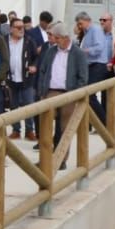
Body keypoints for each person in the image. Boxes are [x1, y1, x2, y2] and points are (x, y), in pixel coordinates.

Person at [37, 23, 88, 162]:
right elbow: (43, 71)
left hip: (69, 94)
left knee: (66, 128)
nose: (53, 40)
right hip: (51, 92)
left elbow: (83, 77)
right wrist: (42, 92)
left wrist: (76, 95)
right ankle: (45, 158)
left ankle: (61, 159)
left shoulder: (78, 53)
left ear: (64, 38)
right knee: (45, 126)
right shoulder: (51, 51)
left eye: (55, 37)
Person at [4, 17, 39, 139]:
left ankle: (29, 130)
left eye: (22, 27)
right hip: (10, 79)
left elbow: (36, 57)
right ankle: (16, 130)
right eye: (18, 27)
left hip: (26, 78)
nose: (21, 30)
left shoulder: (29, 41)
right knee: (13, 106)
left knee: (29, 105)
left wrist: (34, 66)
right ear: (11, 29)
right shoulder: (4, 40)